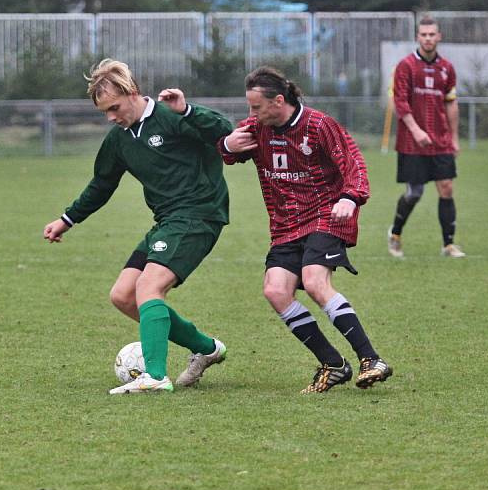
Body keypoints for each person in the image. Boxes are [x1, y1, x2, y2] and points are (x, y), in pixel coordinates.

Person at [165, 66, 392, 393]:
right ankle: (333, 364)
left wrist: (350, 198)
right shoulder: (257, 127)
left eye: (256, 107)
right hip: (286, 225)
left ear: (279, 101)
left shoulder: (318, 125)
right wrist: (227, 145)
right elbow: (229, 152)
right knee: (275, 291)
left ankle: (371, 359)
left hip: (325, 215)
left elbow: (352, 163)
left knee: (315, 281)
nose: (251, 113)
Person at [43, 59, 234, 394]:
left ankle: (156, 376)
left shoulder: (170, 116)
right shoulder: (120, 140)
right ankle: (206, 348)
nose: (111, 117)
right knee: (123, 296)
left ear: (132, 92)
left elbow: (222, 130)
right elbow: (101, 185)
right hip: (167, 220)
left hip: (198, 214)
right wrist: (67, 220)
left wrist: (188, 109)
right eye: (104, 112)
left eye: (114, 107)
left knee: (148, 287)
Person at [387, 15, 464, 259]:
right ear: (417, 37)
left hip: (440, 140)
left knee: (446, 187)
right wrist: (416, 129)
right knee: (415, 192)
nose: (428, 38)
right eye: (424, 34)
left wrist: (454, 138)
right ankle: (395, 233)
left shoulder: (447, 68)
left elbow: (451, 104)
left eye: (432, 34)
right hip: (412, 142)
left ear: (439, 36)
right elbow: (399, 103)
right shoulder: (406, 66)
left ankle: (448, 244)